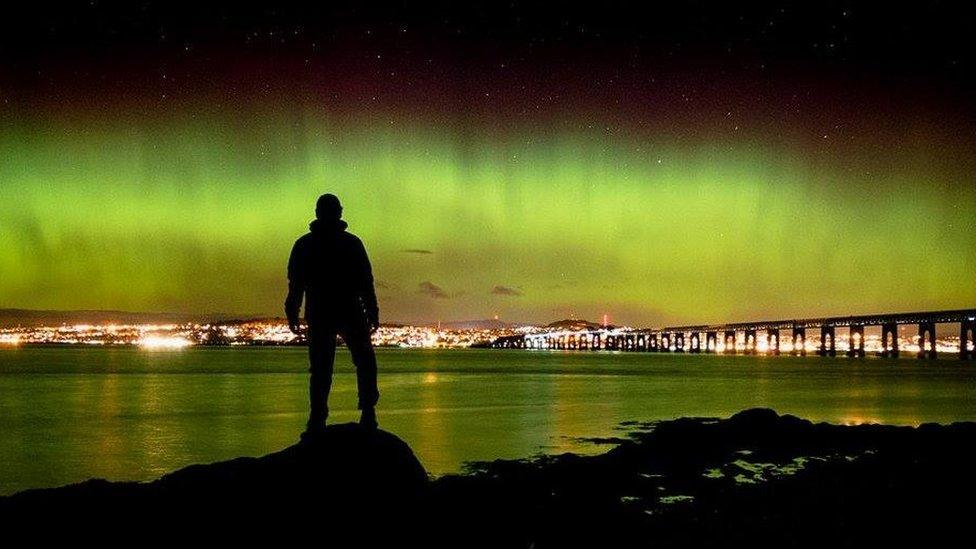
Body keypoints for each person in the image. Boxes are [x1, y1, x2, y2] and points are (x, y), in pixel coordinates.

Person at [285, 194, 380, 436]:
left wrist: (293, 311)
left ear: (317, 212)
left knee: (322, 368)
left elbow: (296, 284)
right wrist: (372, 310)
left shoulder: (304, 244)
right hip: (345, 310)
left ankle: (319, 417)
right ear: (339, 212)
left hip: (322, 311)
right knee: (362, 361)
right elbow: (365, 281)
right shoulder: (351, 243)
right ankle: (365, 412)